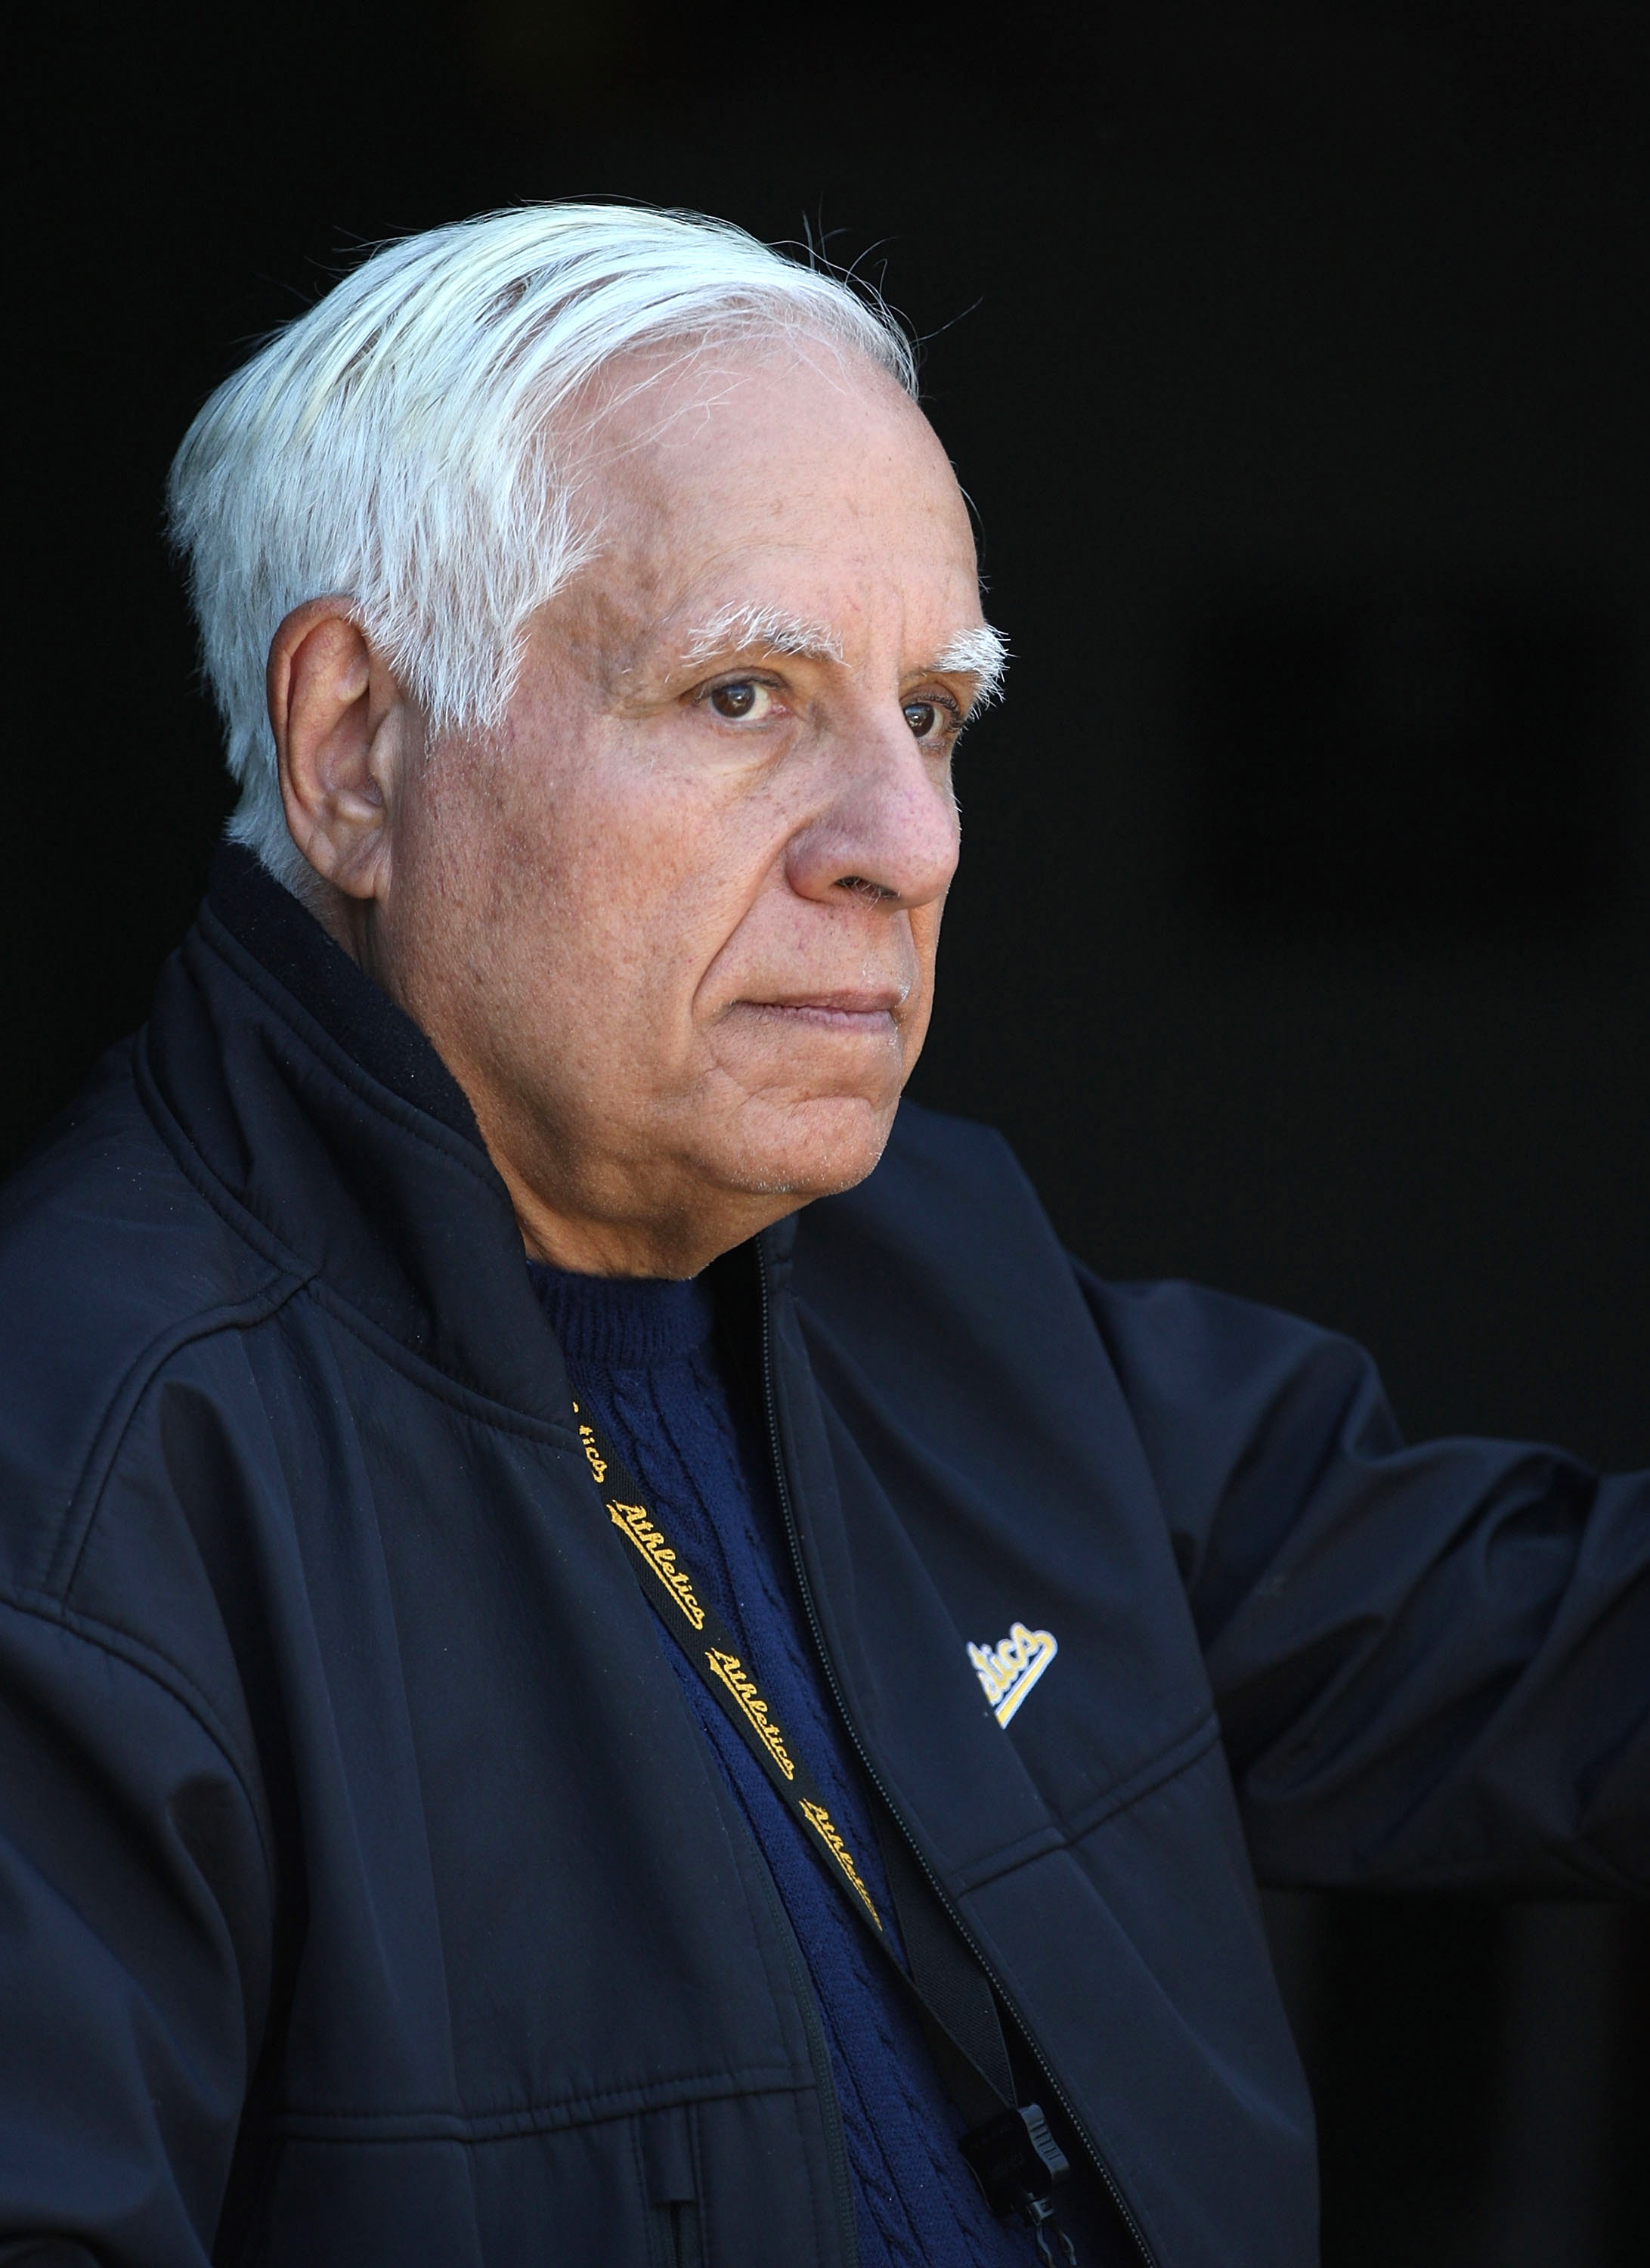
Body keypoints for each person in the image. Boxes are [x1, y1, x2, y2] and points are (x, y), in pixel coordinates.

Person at [0, 203, 1642, 2268]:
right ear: (354, 748)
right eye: (746, 694)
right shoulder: (79, 1468)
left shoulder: (935, 1280)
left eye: (935, 714)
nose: (912, 842)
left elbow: (1552, 1654)